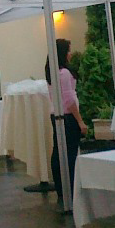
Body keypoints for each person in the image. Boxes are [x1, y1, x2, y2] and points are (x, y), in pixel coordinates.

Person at [47, 38, 87, 203]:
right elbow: (69, 100)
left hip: (56, 114)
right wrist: (80, 121)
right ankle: (71, 186)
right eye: (68, 51)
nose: (70, 54)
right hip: (68, 116)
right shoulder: (64, 73)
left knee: (58, 151)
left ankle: (61, 187)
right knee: (70, 153)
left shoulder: (51, 72)